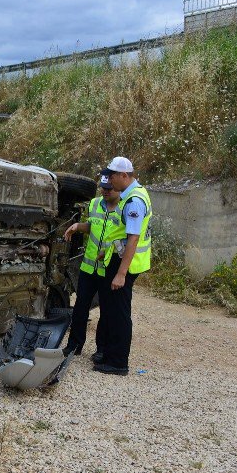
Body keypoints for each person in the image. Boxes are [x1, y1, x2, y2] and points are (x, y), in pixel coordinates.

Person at [95, 156, 152, 376]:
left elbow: (133, 239)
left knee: (119, 314)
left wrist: (120, 273)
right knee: (111, 310)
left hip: (125, 264)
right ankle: (109, 356)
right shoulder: (133, 195)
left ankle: (118, 363)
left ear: (124, 176)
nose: (108, 180)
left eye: (111, 175)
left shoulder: (134, 201)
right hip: (118, 258)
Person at [63, 172, 121, 360]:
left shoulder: (124, 209)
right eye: (102, 188)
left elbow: (127, 238)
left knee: (106, 310)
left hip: (107, 268)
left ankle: (101, 349)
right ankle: (74, 345)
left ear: (118, 188)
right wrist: (78, 226)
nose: (104, 191)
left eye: (108, 189)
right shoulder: (95, 204)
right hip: (88, 267)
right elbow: (92, 225)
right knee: (81, 307)